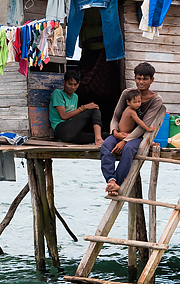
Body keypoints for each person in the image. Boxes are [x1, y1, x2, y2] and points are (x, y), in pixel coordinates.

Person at [101, 62, 166, 197]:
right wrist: (114, 132)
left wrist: (125, 140)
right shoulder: (127, 94)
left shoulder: (156, 100)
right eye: (138, 78)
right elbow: (115, 117)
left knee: (129, 149)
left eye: (145, 79)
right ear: (135, 78)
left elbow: (144, 126)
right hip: (121, 133)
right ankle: (111, 180)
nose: (141, 82)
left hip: (138, 137)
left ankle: (116, 184)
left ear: (151, 80)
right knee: (106, 145)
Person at [48, 73, 103, 146]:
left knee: (106, 136)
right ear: (64, 82)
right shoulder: (58, 93)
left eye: (75, 85)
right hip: (62, 130)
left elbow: (74, 116)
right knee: (94, 110)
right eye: (70, 84)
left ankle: (99, 137)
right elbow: (64, 116)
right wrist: (84, 107)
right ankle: (98, 139)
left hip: (73, 132)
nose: (73, 87)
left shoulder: (75, 96)